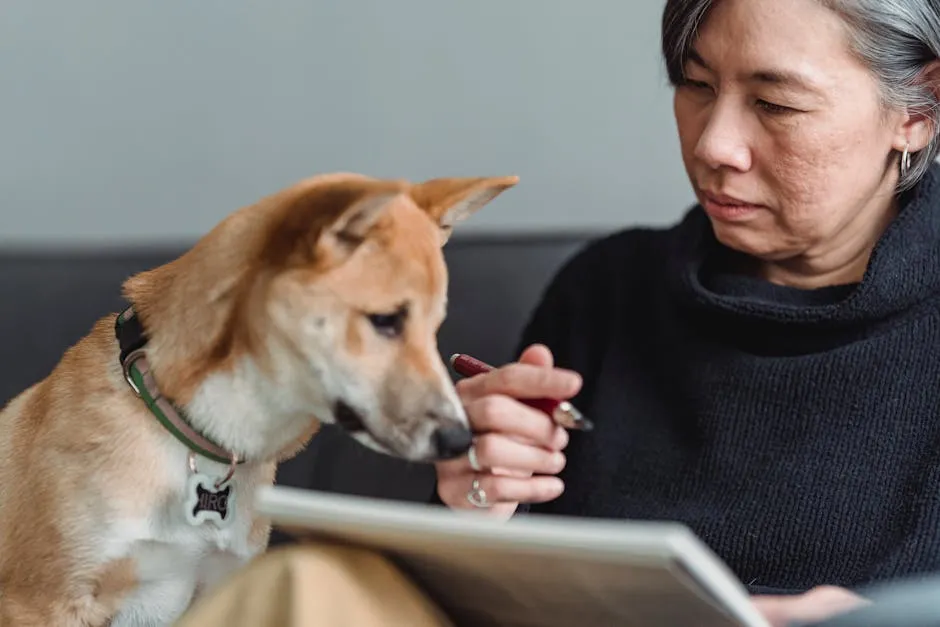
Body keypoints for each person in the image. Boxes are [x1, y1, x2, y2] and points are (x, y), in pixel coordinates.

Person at [433, 0, 940, 625]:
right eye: (695, 85)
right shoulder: (606, 291)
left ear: (917, 111)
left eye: (775, 104)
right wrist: (474, 503)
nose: (713, 144)